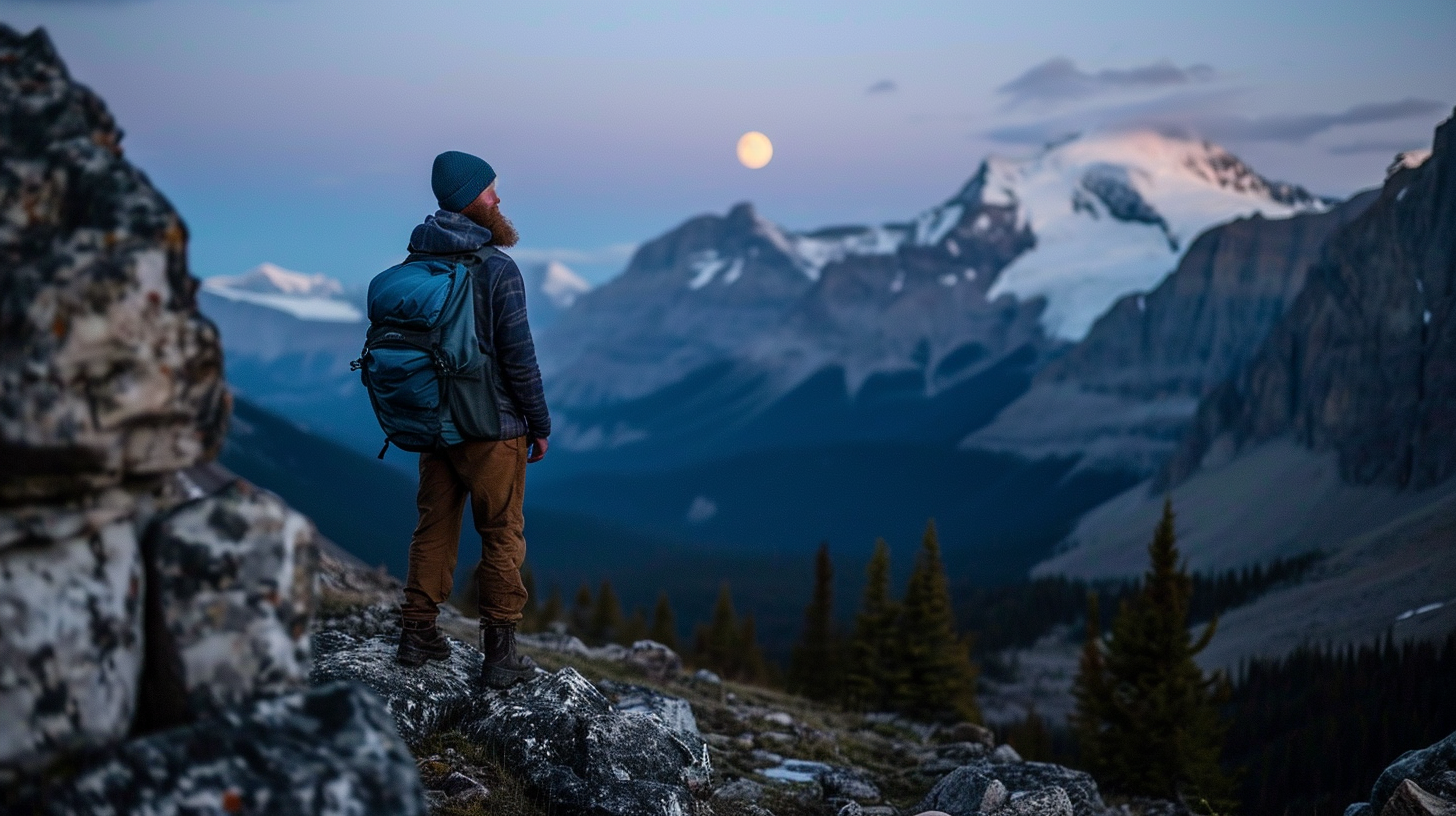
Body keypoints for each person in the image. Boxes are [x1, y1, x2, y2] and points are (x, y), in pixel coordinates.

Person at [394, 150, 550, 690]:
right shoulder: (497, 269)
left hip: (435, 424)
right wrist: (540, 422)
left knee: (433, 526)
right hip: (493, 429)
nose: (498, 198)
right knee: (502, 532)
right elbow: (519, 356)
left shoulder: (417, 262)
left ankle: (416, 634)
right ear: (469, 200)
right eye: (489, 190)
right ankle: (501, 654)